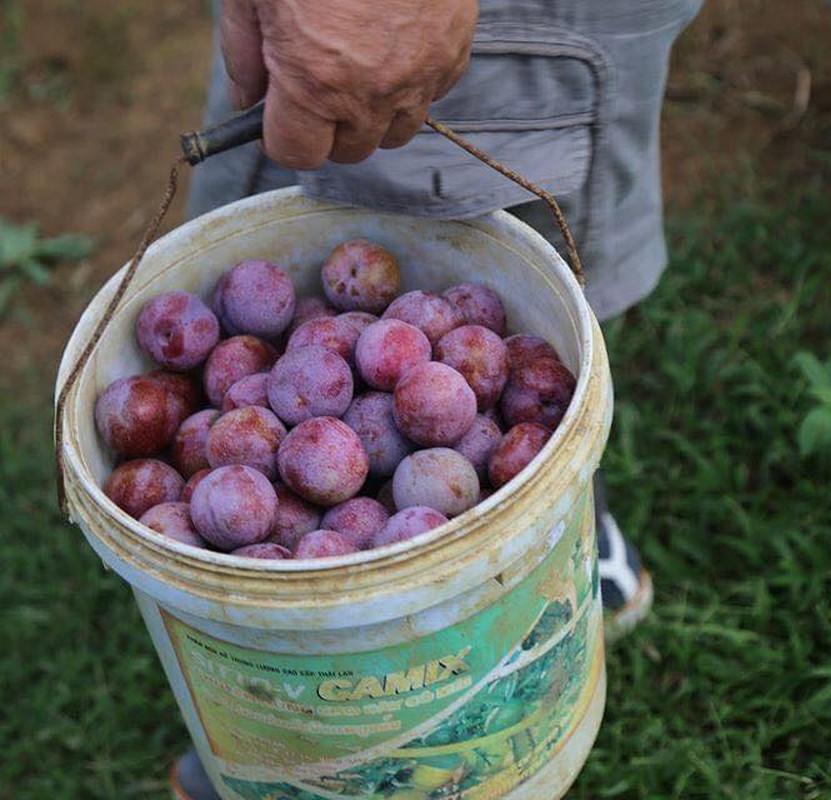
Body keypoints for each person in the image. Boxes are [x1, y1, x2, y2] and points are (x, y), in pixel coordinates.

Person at [174, 1, 704, 797]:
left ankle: (572, 559)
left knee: (514, 175)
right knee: (320, 140)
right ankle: (577, 561)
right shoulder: (297, 414)